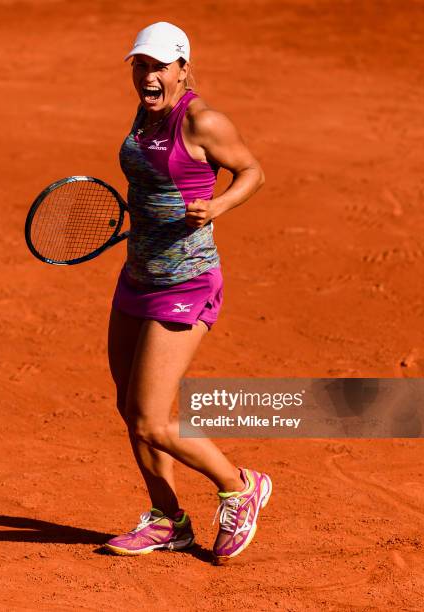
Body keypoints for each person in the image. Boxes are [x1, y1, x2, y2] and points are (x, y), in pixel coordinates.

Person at [105, 21, 270, 564]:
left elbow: (252, 171)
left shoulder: (203, 120)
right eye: (140, 65)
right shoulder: (146, 110)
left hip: (187, 280)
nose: (147, 76)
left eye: (157, 66)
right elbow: (153, 179)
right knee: (132, 411)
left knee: (152, 417)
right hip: (139, 275)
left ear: (181, 67)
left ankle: (238, 485)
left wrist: (217, 206)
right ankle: (167, 519)